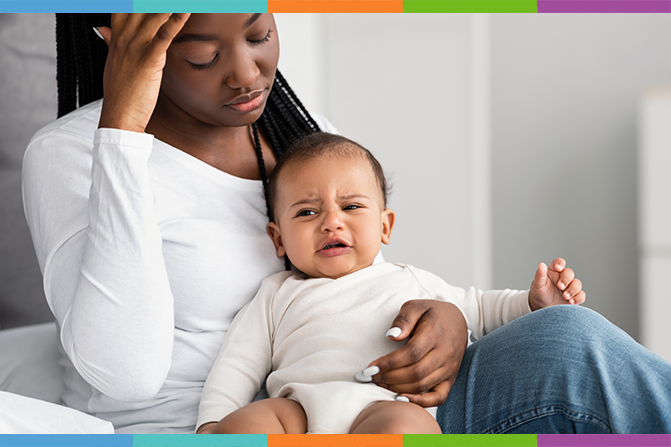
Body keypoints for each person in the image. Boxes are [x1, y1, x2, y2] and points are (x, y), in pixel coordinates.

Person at [21, 12, 671, 434]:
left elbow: (366, 280)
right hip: (239, 421)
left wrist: (445, 319)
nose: (248, 75)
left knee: (567, 335)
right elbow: (124, 371)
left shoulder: (298, 133)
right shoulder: (74, 154)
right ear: (119, 40)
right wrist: (124, 133)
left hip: (379, 402)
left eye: (258, 32)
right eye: (200, 56)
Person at [196, 132, 585, 435]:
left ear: (385, 226)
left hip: (384, 405)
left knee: (408, 430)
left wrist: (533, 303)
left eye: (351, 207)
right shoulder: (276, 294)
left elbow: (481, 309)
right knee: (242, 429)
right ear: (278, 238)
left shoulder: (408, 281)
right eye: (308, 212)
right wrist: (212, 424)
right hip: (297, 408)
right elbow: (237, 363)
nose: (332, 222)